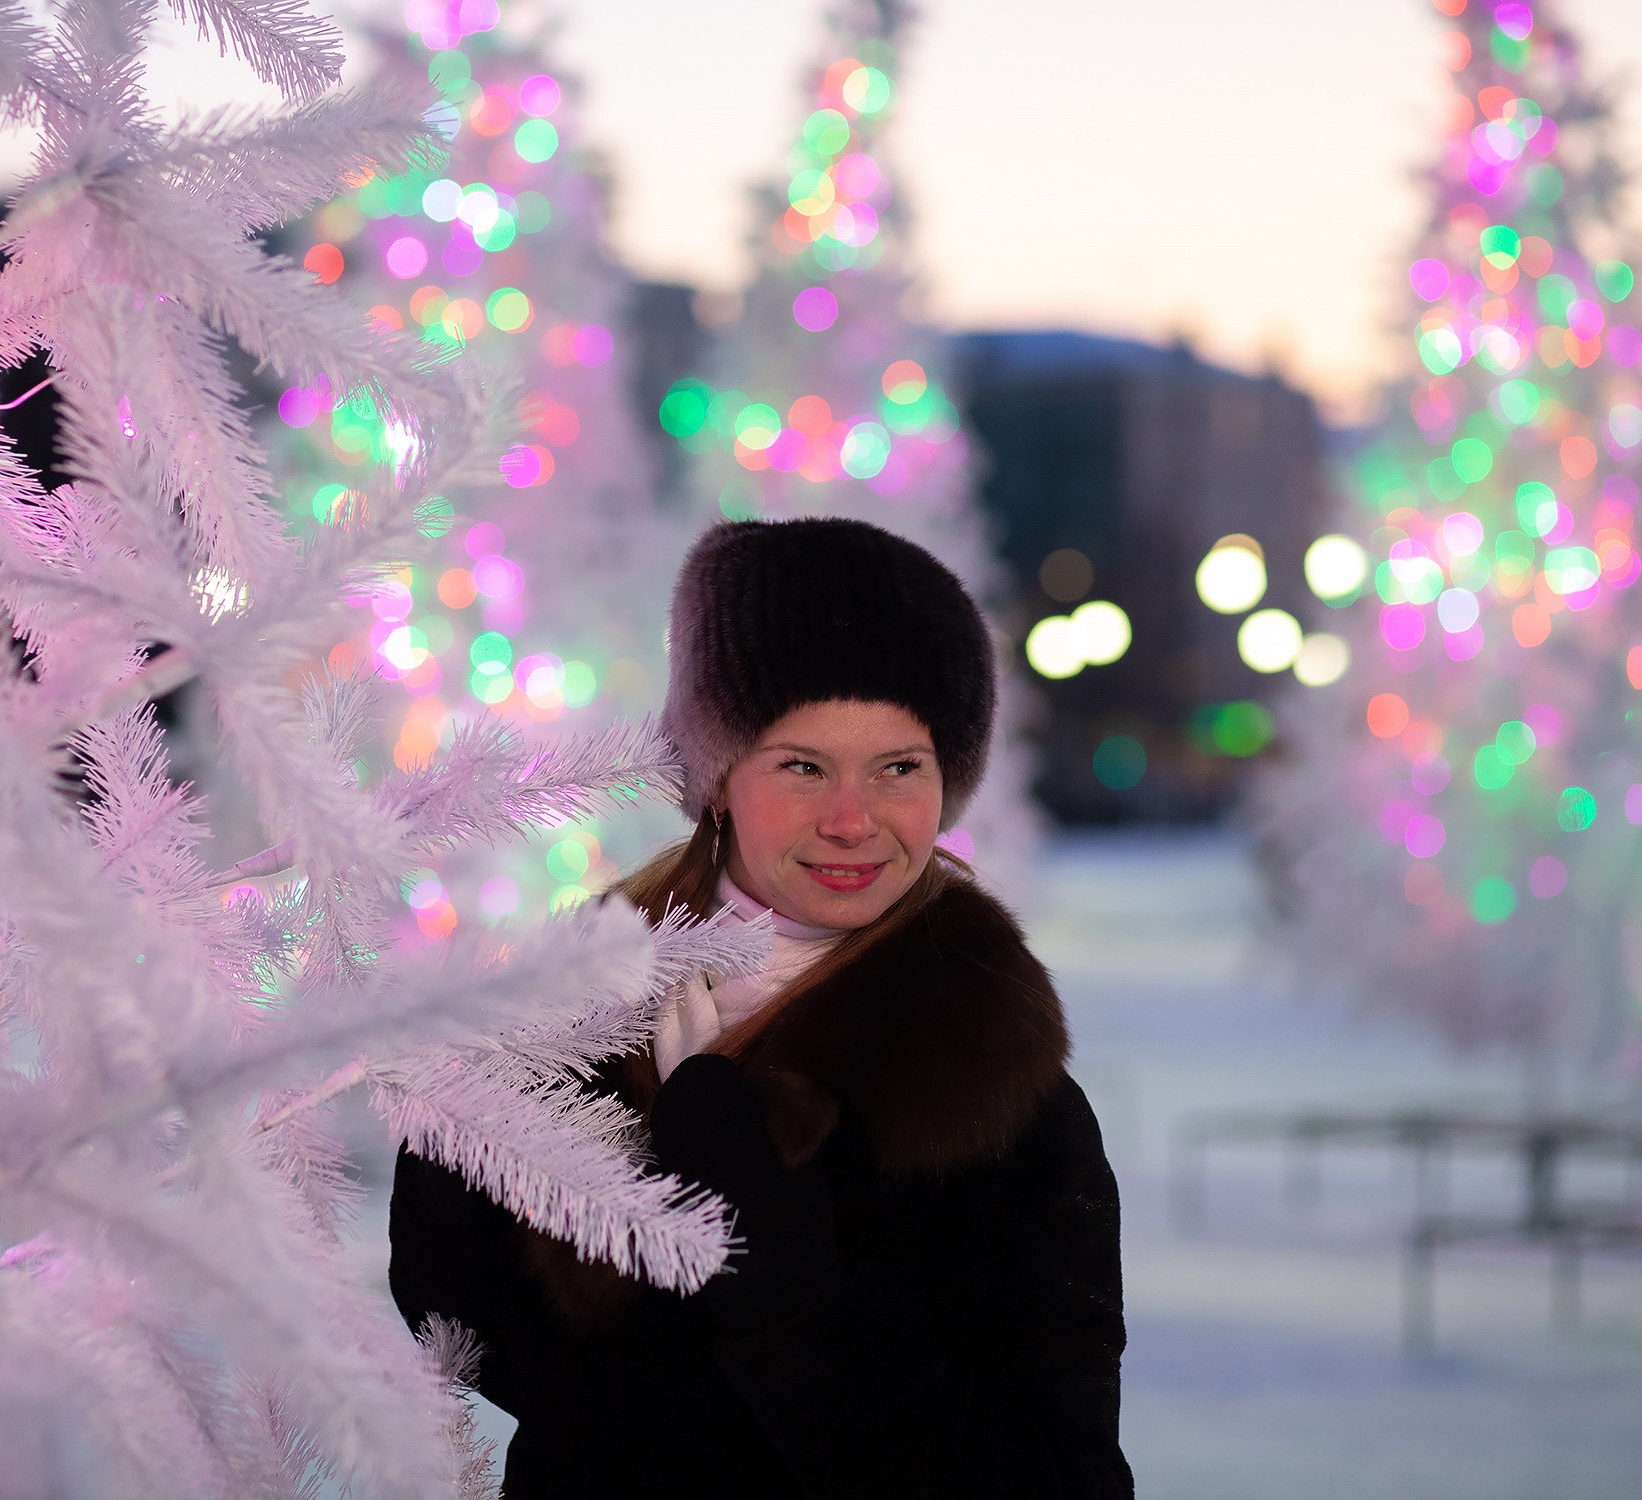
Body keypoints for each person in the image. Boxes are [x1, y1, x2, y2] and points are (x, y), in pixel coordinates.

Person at [390, 518, 1132, 1497]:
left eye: (899, 767)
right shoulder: (569, 1031)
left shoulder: (1002, 1102)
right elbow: (474, 1334)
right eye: (803, 765)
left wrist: (776, 1261)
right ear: (717, 780)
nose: (853, 820)